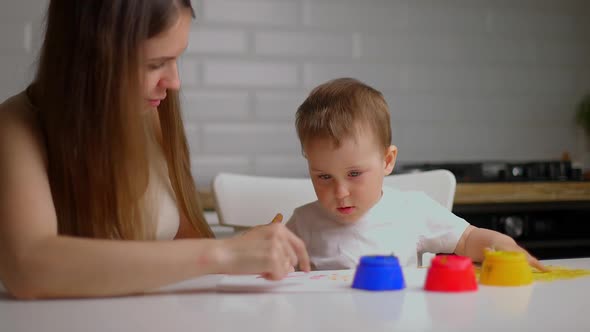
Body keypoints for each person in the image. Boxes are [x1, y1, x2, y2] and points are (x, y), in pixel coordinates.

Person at [0, 0, 309, 300]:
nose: (174, 82)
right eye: (155, 64)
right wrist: (224, 253)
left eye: (177, 58)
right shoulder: (15, 128)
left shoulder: (150, 113)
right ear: (91, 58)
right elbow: (28, 267)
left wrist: (244, 251)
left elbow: (190, 244)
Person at [286, 77, 546, 271]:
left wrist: (501, 245)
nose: (340, 192)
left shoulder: (411, 210)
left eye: (354, 173)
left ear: (387, 161)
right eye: (323, 177)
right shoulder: (303, 223)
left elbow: (467, 240)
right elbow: (272, 273)